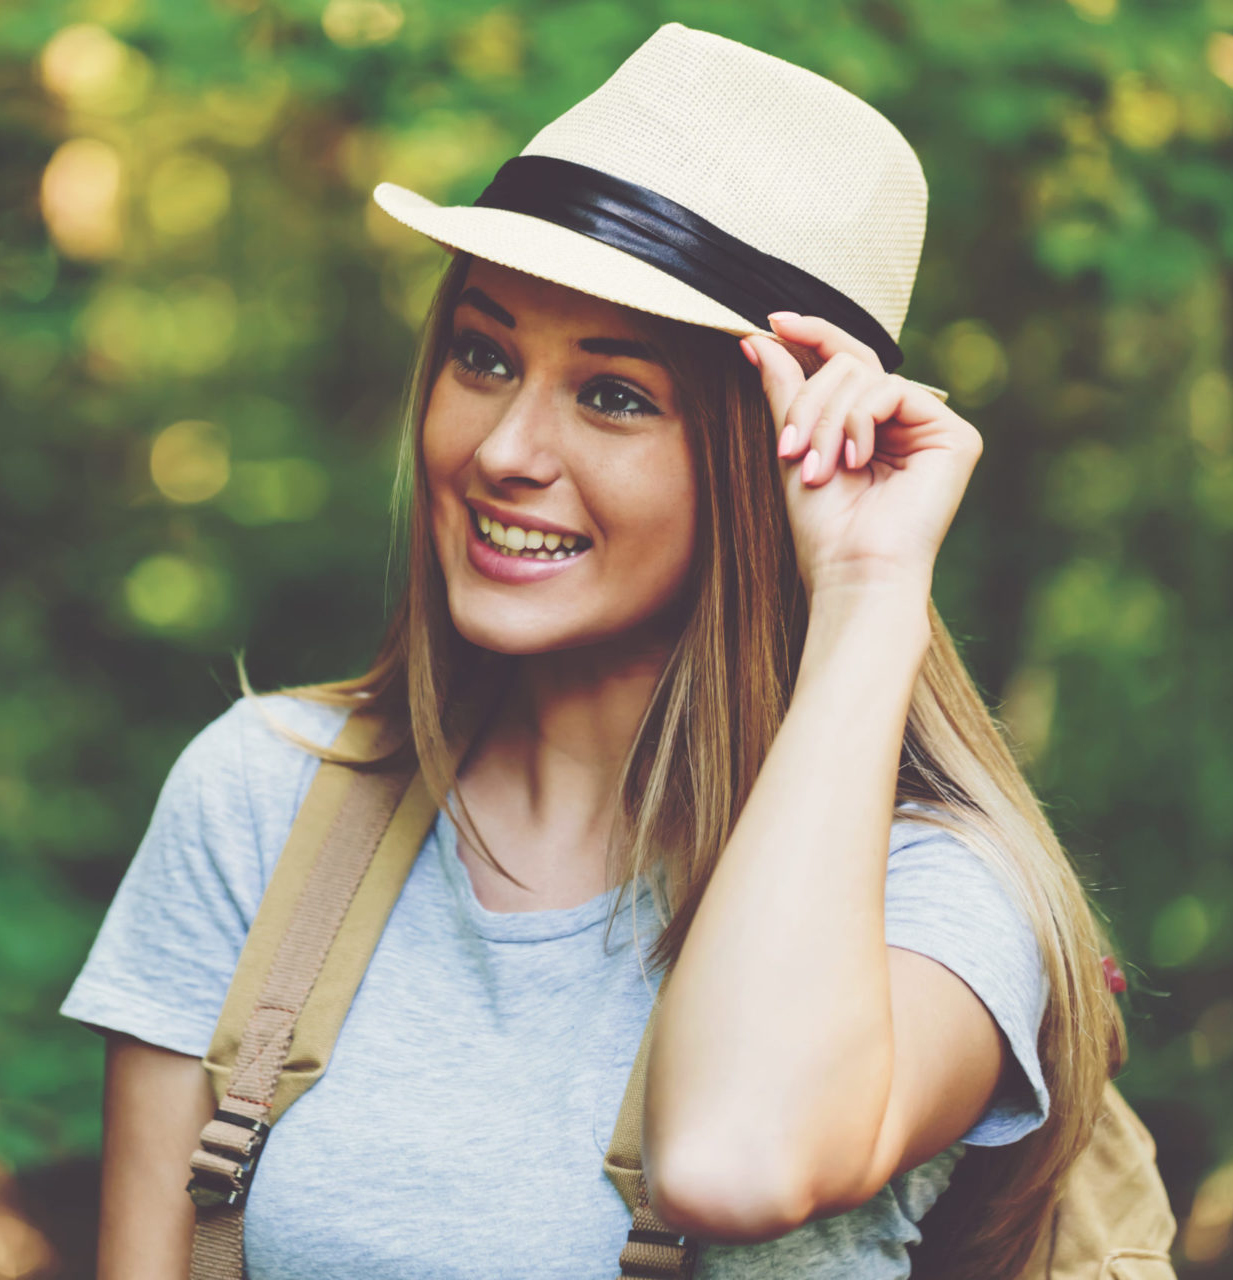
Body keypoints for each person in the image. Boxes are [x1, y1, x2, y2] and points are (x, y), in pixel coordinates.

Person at [59, 22, 1124, 1279]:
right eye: (484, 354)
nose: (506, 446)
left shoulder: (935, 900)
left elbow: (740, 1160)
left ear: (766, 454)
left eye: (614, 393)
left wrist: (869, 584)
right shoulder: (262, 798)